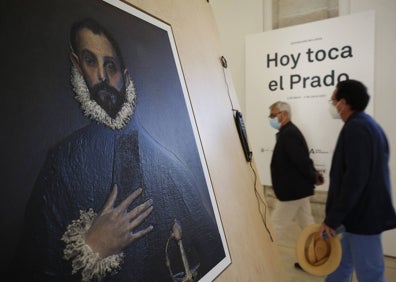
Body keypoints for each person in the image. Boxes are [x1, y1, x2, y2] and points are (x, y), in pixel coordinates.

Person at [11, 18, 225, 282]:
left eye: (110, 66)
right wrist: (91, 246)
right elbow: (29, 266)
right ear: (77, 65)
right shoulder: (61, 162)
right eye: (91, 62)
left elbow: (213, 251)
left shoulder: (168, 164)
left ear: (125, 77)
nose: (102, 76)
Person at [319, 79, 396, 282]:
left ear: (343, 103)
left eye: (333, 99)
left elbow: (354, 180)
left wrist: (332, 219)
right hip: (355, 217)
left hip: (363, 217)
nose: (332, 104)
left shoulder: (357, 129)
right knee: (339, 266)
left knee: (371, 273)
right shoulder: (367, 125)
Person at [268, 101, 324, 268]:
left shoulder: (289, 134)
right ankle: (313, 258)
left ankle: (263, 258)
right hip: (298, 190)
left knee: (276, 225)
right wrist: (313, 175)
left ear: (284, 115)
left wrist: (313, 176)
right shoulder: (287, 132)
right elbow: (302, 159)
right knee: (308, 224)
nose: (270, 118)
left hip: (292, 191)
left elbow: (300, 161)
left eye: (273, 115)